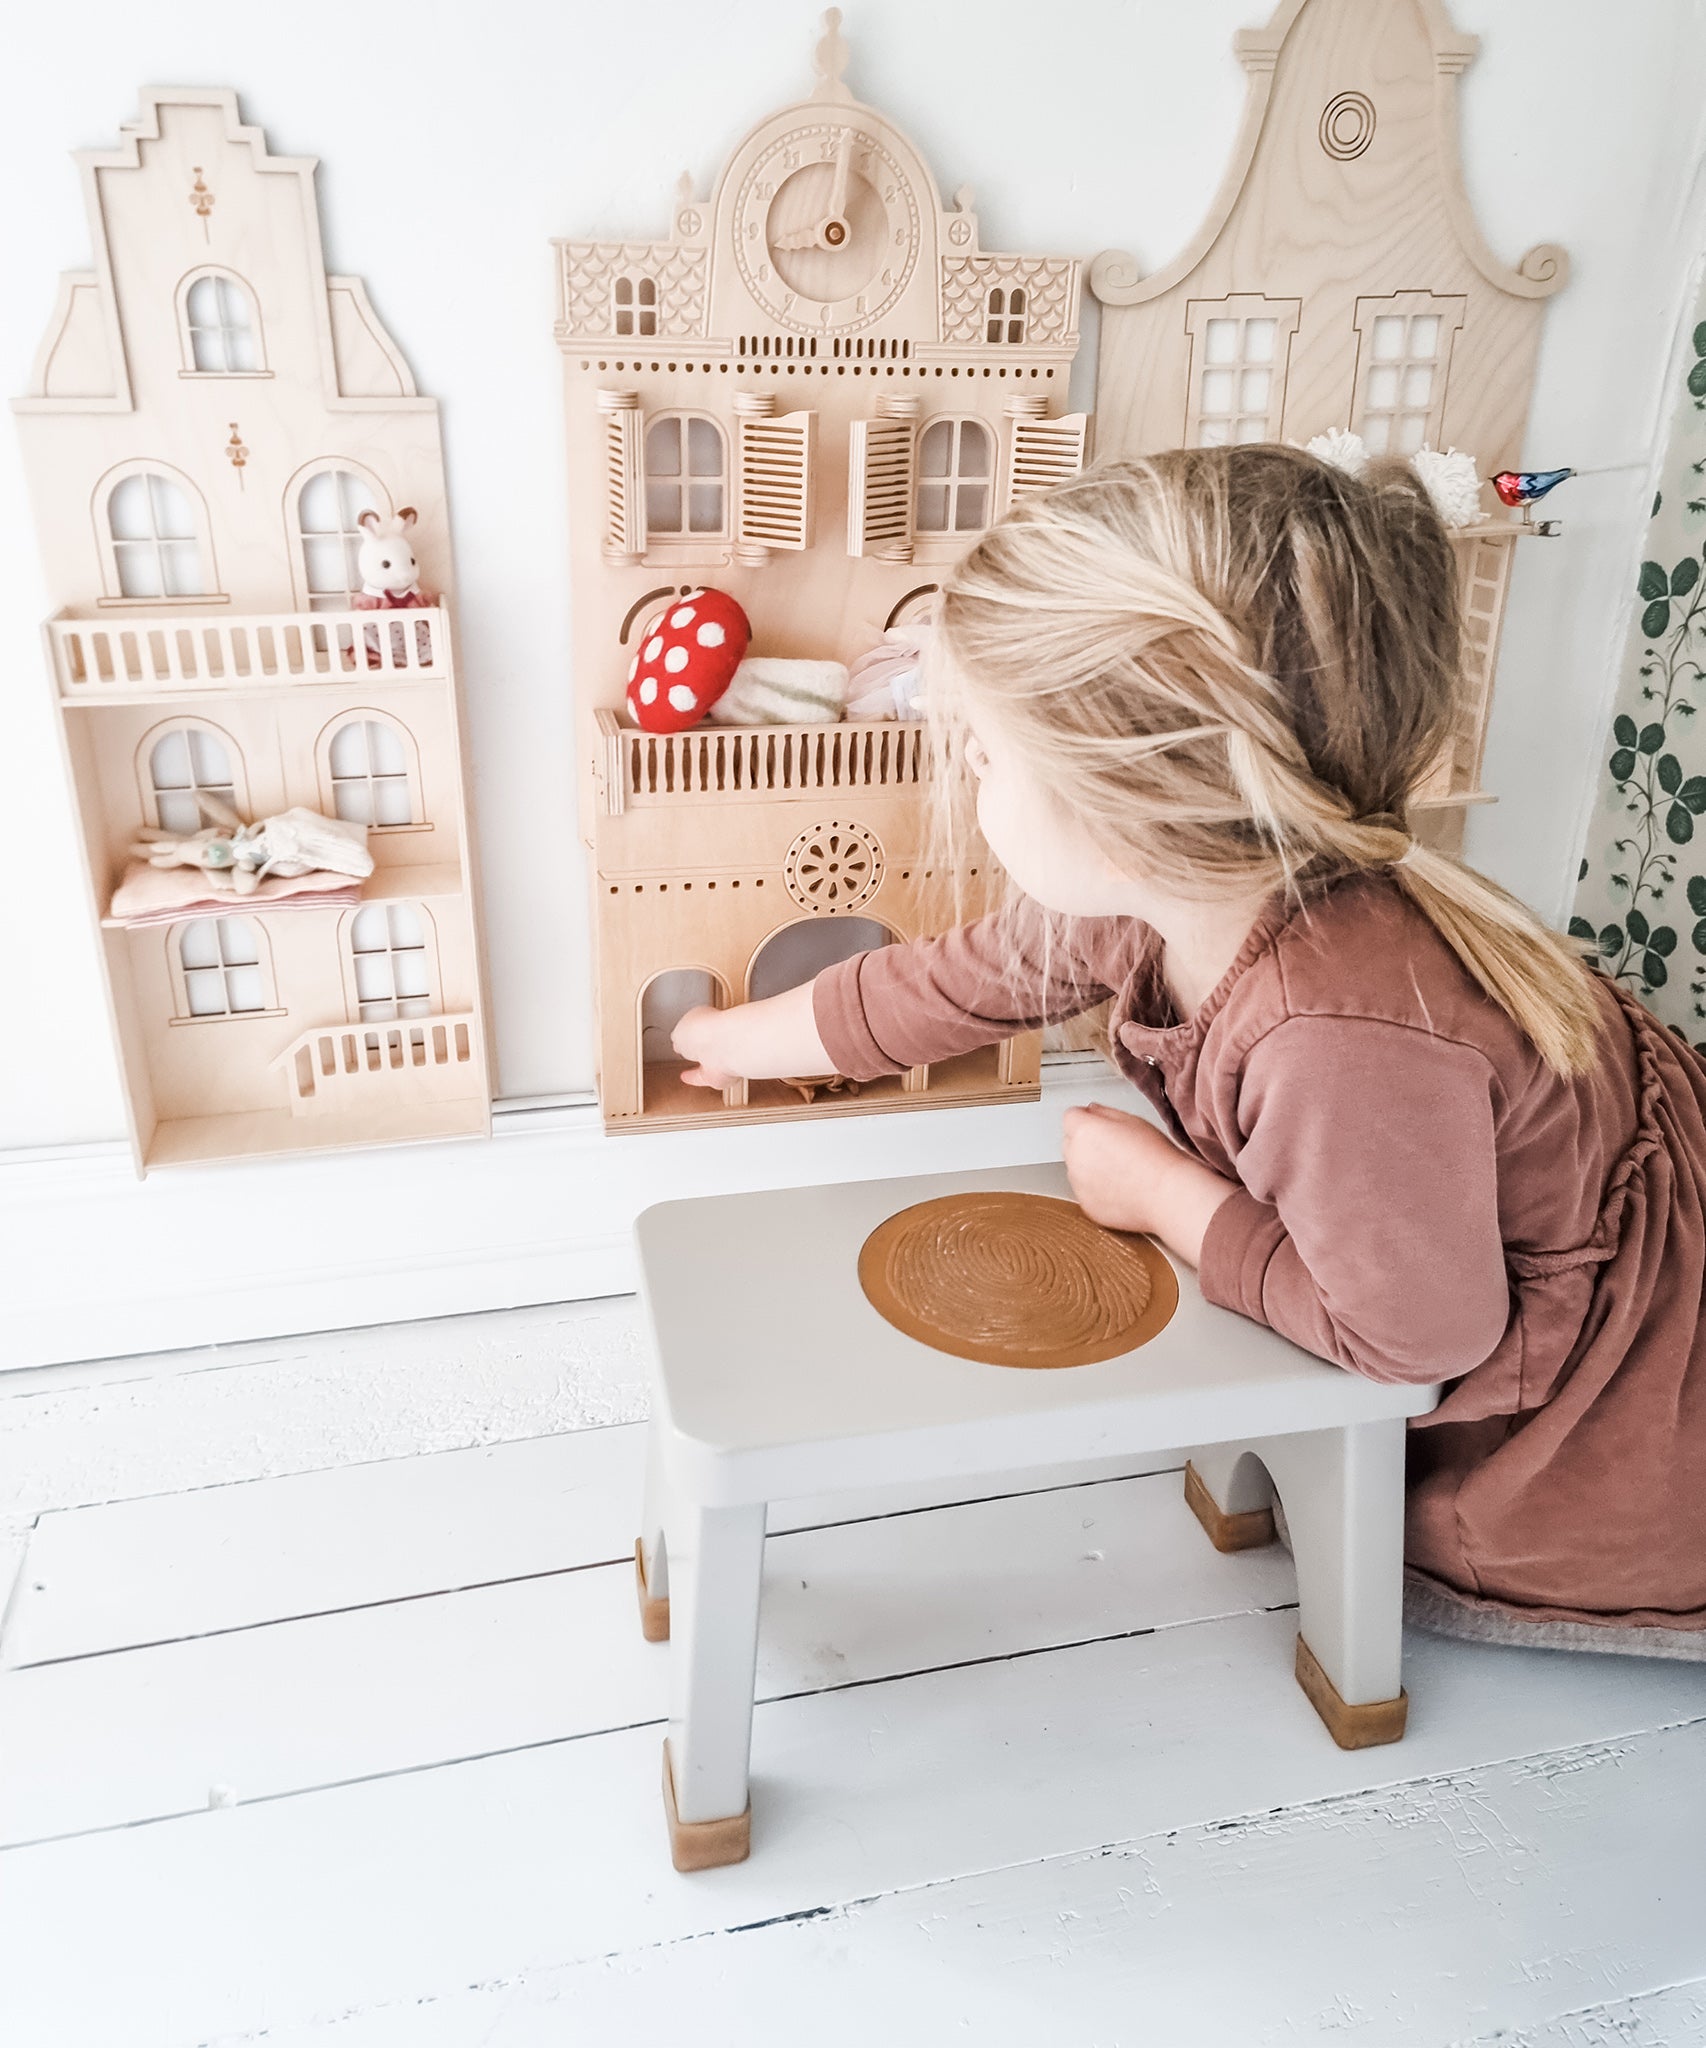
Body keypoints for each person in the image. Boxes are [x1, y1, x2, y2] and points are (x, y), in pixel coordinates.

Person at [672, 446, 1706, 1659]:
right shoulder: (1176, 874)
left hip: (1605, 1451)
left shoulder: (1339, 1036)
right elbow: (944, 984)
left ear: (1127, 809)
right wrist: (727, 1037)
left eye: (987, 754)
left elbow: (1418, 1339)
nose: (964, 769)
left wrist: (1170, 1198)